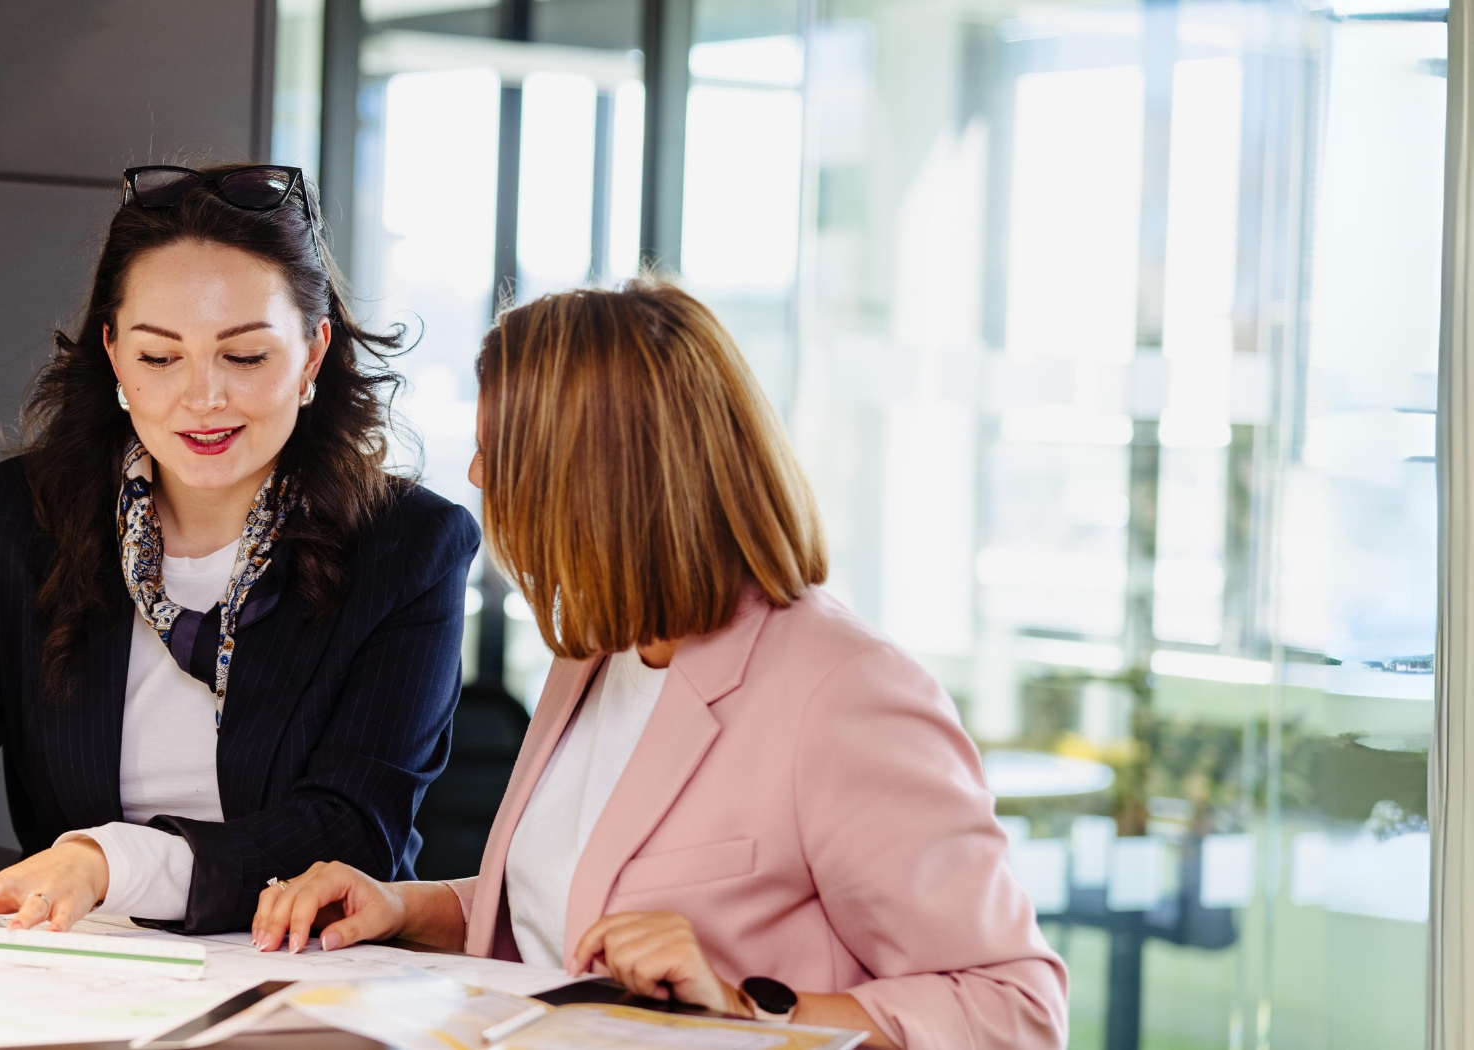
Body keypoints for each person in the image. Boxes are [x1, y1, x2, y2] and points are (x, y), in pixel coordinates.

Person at [249, 280, 1067, 1050]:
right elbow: (568, 921)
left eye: (499, 449)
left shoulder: (843, 691)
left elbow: (1016, 1006)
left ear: (598, 479)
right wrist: (404, 905)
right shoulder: (599, 654)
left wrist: (744, 1009)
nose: (475, 475)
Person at [0, 163, 478, 935]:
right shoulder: (13, 520)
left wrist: (108, 863)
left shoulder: (408, 547)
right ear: (112, 356)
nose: (202, 397)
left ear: (311, 356)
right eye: (160, 358)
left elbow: (353, 828)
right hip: (74, 972)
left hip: (303, 977)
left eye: (245, 356)